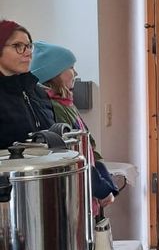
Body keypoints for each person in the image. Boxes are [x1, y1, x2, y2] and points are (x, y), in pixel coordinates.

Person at [30, 41, 119, 207]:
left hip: (87, 188)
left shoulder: (66, 103)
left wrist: (107, 185)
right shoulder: (52, 107)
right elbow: (72, 154)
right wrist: (102, 189)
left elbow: (89, 148)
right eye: (71, 67)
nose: (76, 73)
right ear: (54, 73)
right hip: (75, 194)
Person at [0, 20, 54, 151]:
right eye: (18, 45)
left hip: (45, 168)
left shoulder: (37, 91)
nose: (27, 52)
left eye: (29, 46)